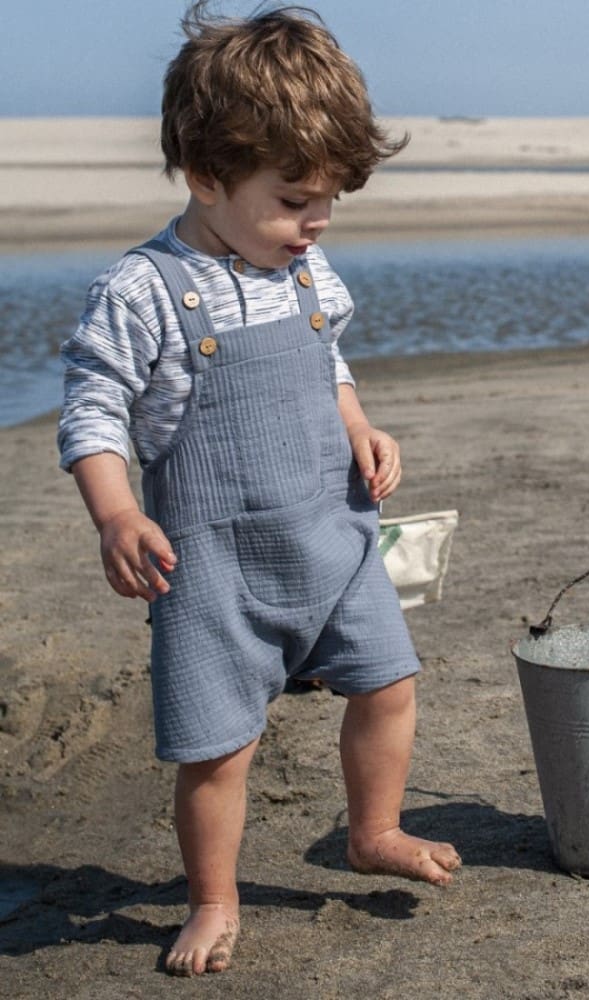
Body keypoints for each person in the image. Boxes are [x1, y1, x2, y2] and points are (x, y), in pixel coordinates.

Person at [57, 2, 460, 977]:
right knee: (218, 749)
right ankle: (213, 897)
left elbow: (328, 366)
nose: (314, 223)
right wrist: (116, 511)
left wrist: (360, 428)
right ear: (207, 177)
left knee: (390, 684)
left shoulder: (306, 271)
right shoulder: (145, 289)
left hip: (330, 533)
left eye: (329, 200)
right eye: (292, 200)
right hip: (214, 564)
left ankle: (373, 829)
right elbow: (94, 409)